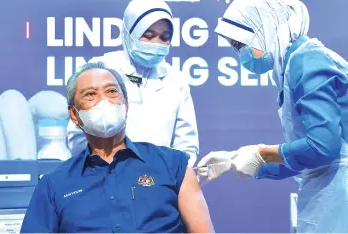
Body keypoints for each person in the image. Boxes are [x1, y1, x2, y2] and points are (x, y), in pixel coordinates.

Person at [197, 0, 348, 232]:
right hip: (329, 189)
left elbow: (323, 148)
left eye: (240, 44)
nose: (241, 54)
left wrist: (262, 154)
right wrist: (237, 159)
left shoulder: (306, 61)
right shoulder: (292, 65)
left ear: (265, 26)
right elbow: (306, 159)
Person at [20, 62, 214, 233]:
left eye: (112, 91)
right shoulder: (53, 184)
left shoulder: (173, 165)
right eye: (90, 94)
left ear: (126, 105)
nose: (103, 101)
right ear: (74, 115)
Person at [67, 0, 199, 166]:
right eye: (149, 35)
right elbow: (77, 136)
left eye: (165, 37)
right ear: (129, 32)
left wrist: (171, 176)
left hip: (159, 182)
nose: (157, 43)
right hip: (102, 178)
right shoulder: (101, 70)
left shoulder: (176, 80)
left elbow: (186, 145)